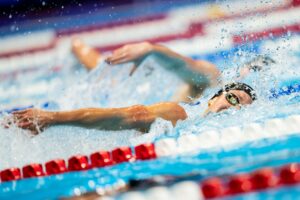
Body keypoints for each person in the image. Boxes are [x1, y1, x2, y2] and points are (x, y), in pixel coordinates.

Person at [11, 82, 256, 135]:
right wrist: (52, 118)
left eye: (242, 108)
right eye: (233, 99)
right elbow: (123, 116)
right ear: (213, 99)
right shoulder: (178, 114)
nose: (233, 108)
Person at [71, 39, 221, 102]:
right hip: (136, 87)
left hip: (144, 92)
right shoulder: (213, 77)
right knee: (103, 71)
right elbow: (180, 65)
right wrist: (150, 49)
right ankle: (75, 45)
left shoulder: (216, 88)